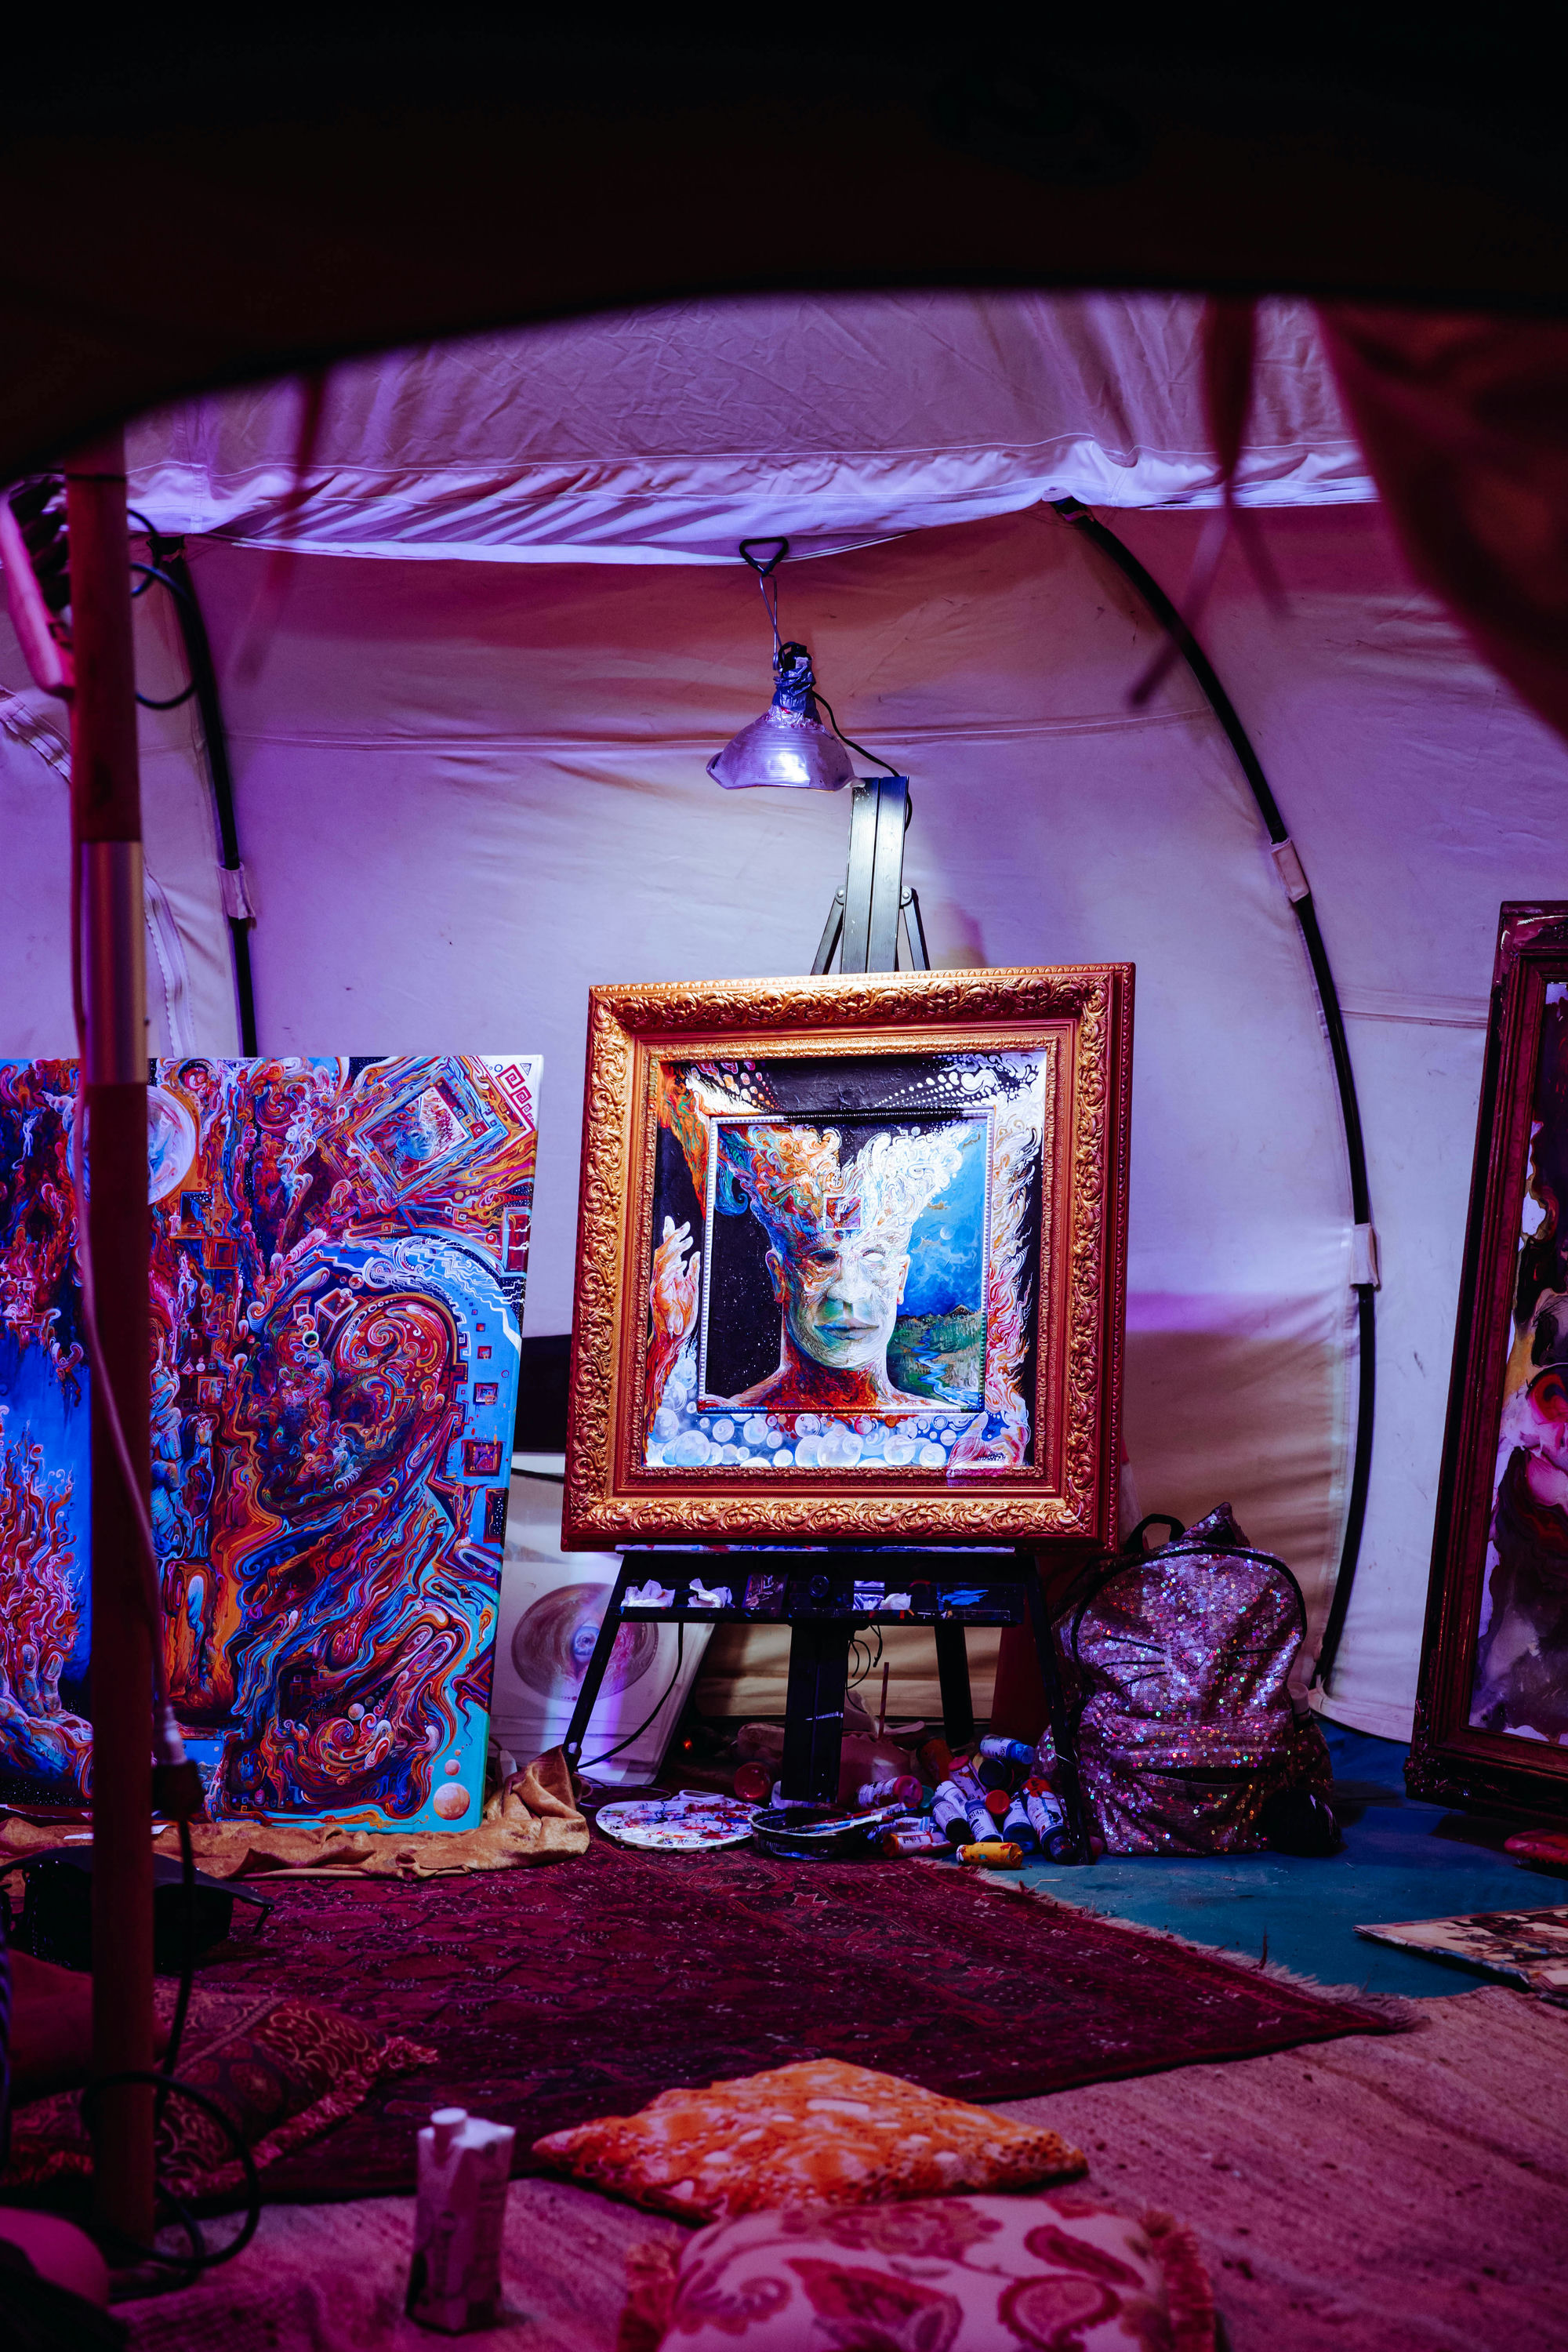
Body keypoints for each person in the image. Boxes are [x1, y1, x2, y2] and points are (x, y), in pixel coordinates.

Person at [715, 1123, 965, 1416]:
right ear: (779, 1277)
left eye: (873, 1257)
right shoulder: (727, 1419)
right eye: (823, 1258)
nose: (849, 1292)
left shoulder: (950, 1426)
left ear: (900, 1279)